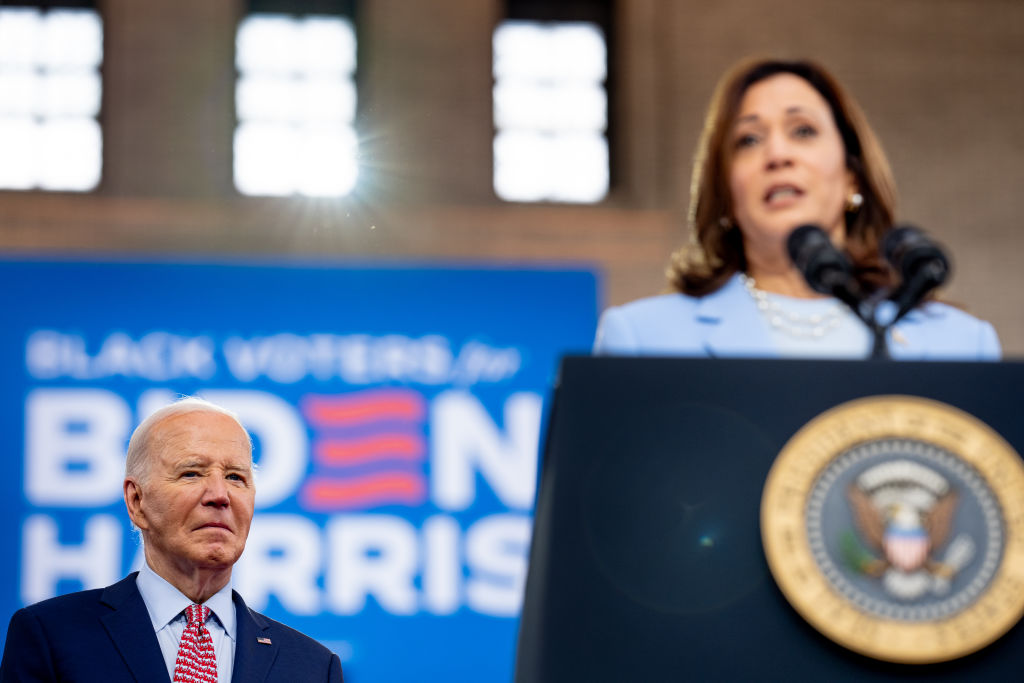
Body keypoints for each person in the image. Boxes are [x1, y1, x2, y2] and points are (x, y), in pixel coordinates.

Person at [593, 57, 1000, 359]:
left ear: (852, 178)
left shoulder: (963, 345)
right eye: (748, 140)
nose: (777, 154)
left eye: (803, 131)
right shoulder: (642, 339)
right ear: (726, 195)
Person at [0, 397, 343, 683]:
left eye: (235, 477)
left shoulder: (314, 667)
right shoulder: (52, 636)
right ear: (137, 502)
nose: (219, 495)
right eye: (191, 473)